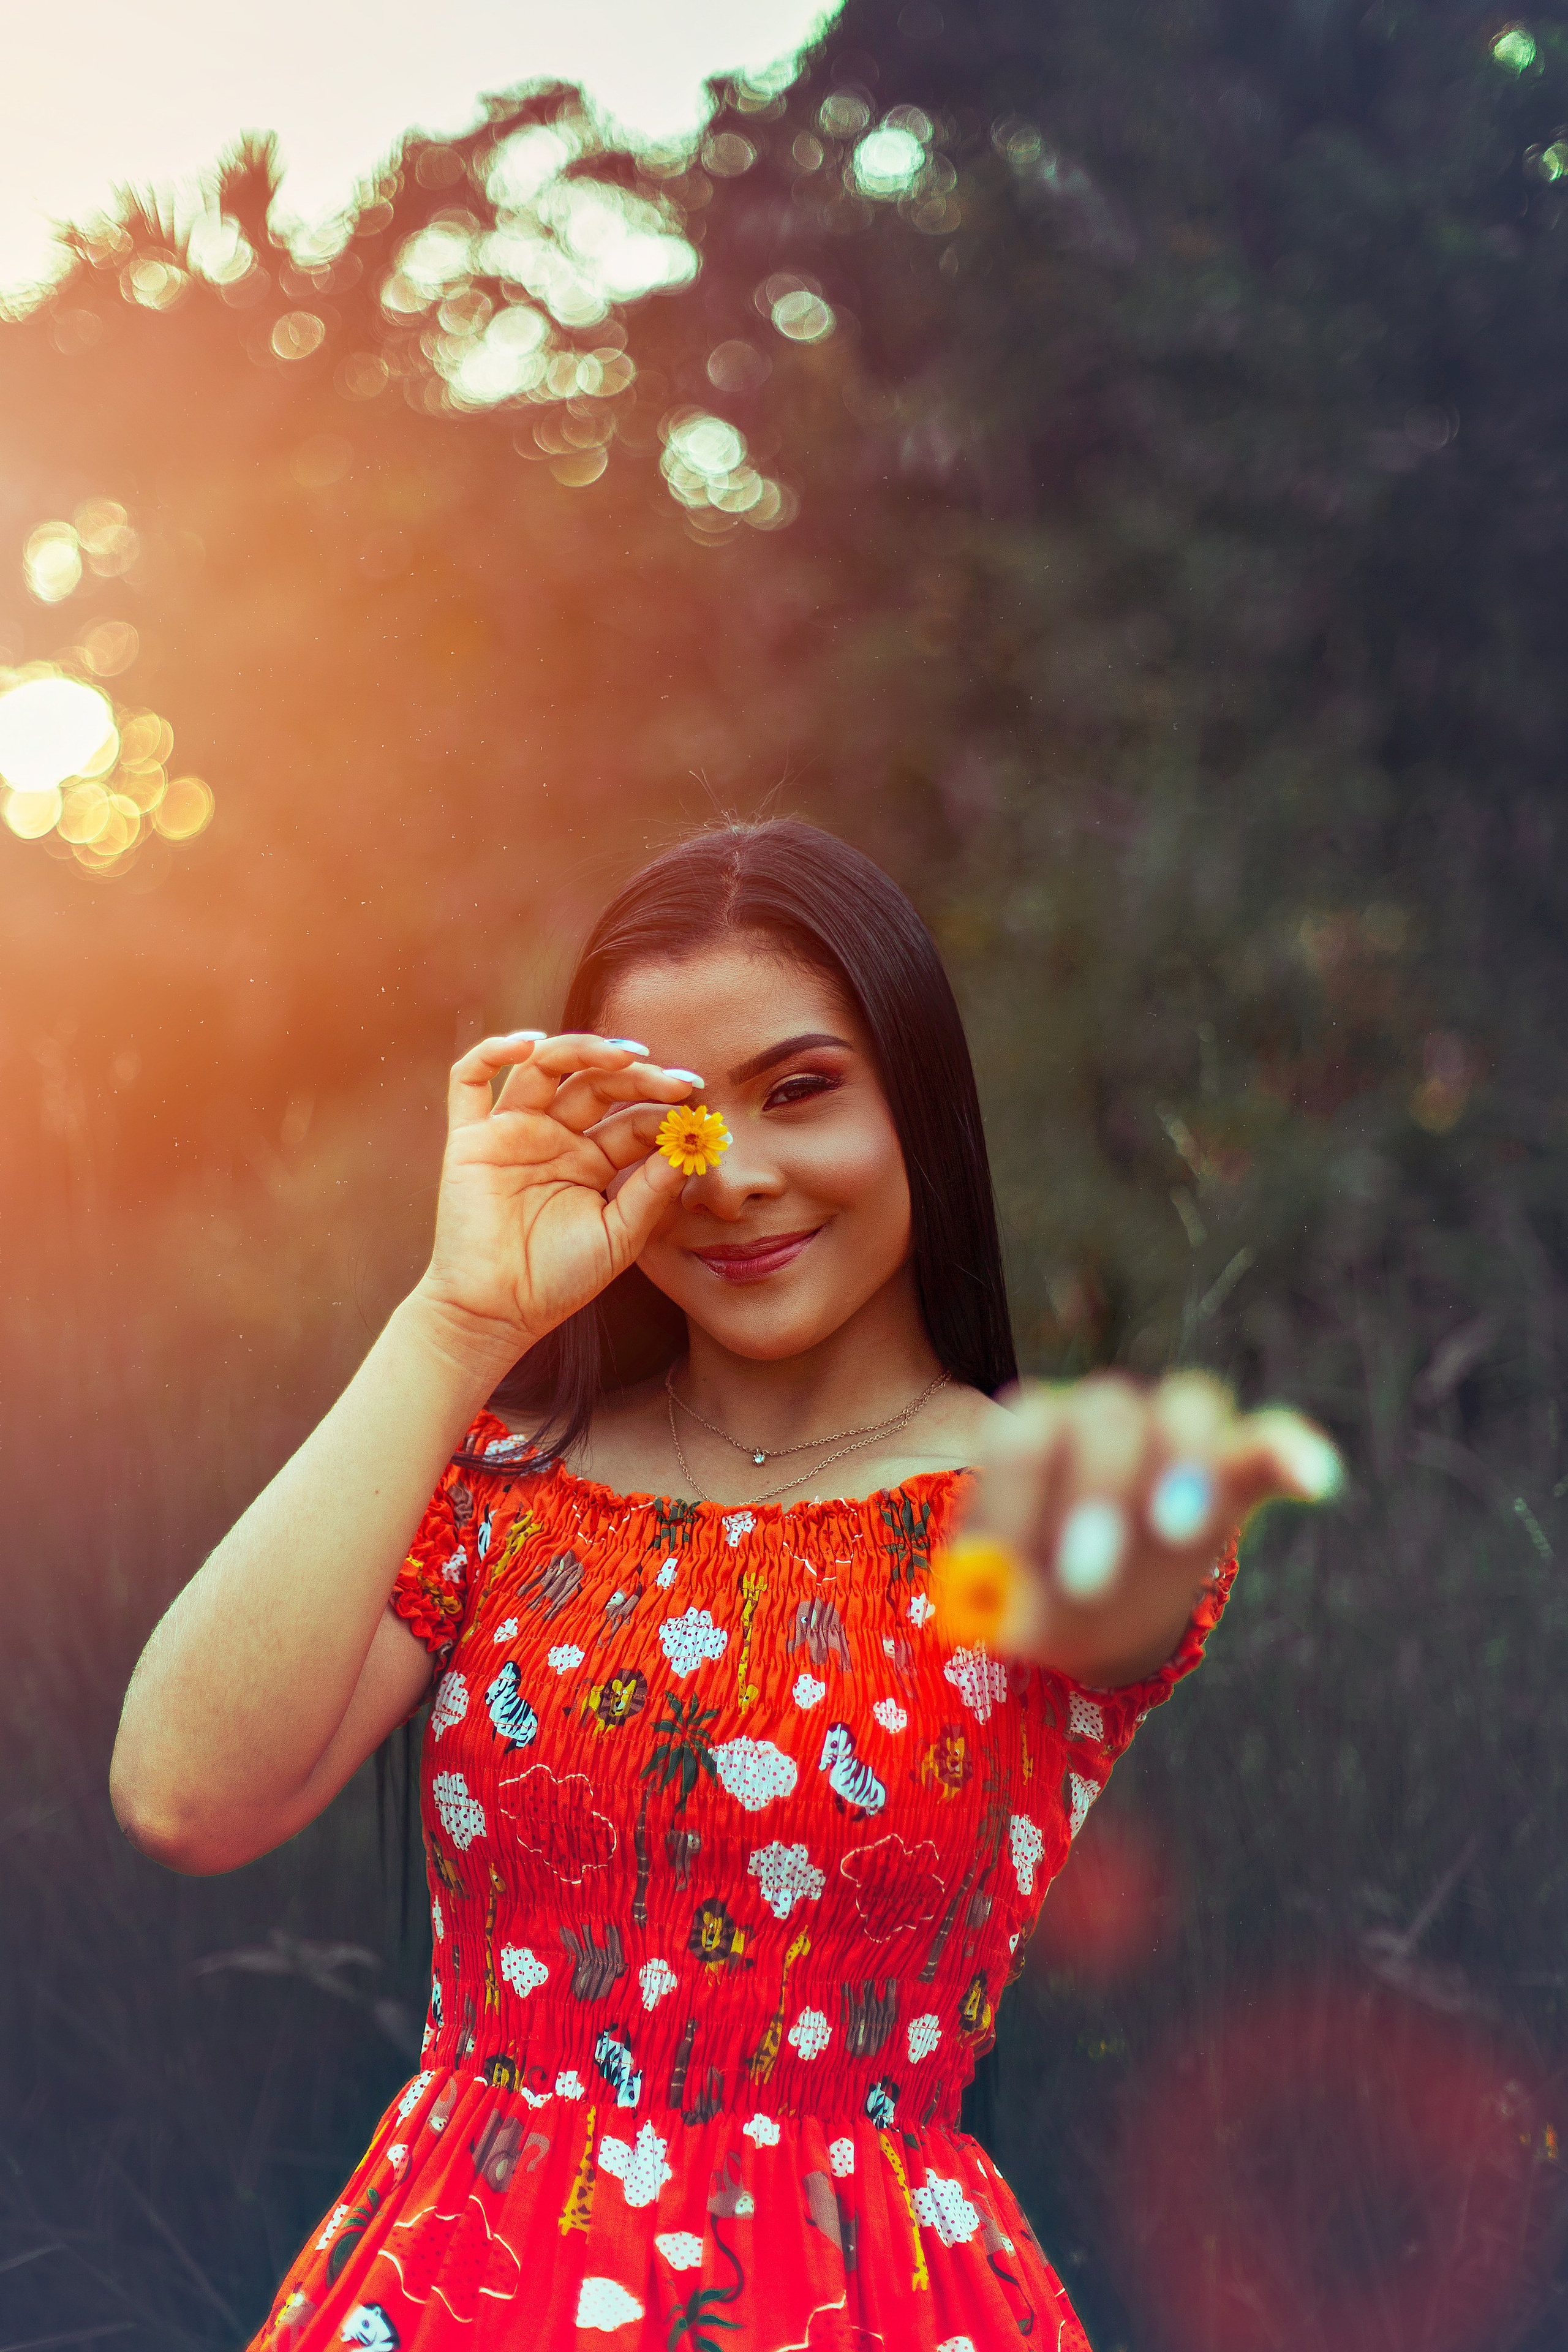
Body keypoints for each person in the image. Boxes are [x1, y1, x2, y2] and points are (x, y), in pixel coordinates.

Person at [111, 820, 1339, 2351]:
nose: (736, 1175)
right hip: (461, 2290)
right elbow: (184, 1794)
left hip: (869, 2302)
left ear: (919, 1102)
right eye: (677, 1124)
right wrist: (455, 1318)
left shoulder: (1038, 1498)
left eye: (801, 1091)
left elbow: (1132, 1590)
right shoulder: (501, 1489)